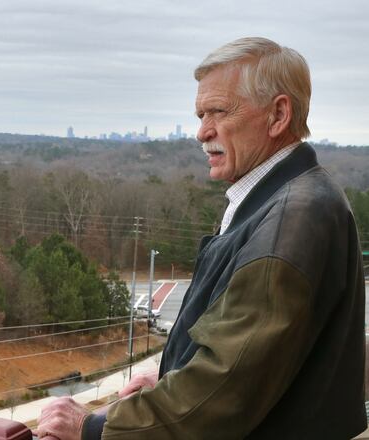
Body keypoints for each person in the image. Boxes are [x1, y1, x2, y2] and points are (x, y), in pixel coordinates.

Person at [36, 37, 366, 439]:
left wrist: (93, 427)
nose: (201, 132)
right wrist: (167, 379)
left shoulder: (292, 218)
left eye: (218, 112)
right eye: (199, 115)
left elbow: (224, 388)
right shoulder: (278, 201)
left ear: (278, 114)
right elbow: (248, 354)